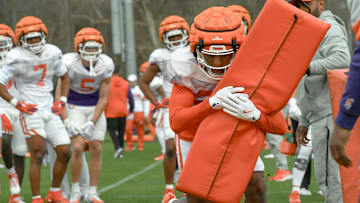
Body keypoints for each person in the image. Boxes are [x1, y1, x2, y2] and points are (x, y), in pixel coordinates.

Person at [165, 6, 287, 203]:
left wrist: (255, 115)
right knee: (200, 199)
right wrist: (211, 103)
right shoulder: (184, 65)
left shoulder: (252, 66)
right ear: (194, 48)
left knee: (257, 188)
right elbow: (177, 123)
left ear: (240, 49)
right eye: (209, 55)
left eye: (225, 55)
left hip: (234, 133)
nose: (217, 62)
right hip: (194, 137)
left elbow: (281, 126)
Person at [0, 16, 72, 203]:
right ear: (21, 39)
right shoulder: (15, 56)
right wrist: (17, 102)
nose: (34, 42)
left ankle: (54, 191)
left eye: (36, 37)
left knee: (65, 150)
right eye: (29, 38)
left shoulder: (53, 52)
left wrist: (62, 100)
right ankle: (35, 197)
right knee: (37, 153)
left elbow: (65, 76)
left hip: (48, 107)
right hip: (29, 109)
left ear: (44, 35)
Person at [288, 0, 351, 202]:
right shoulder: (310, 30)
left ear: (320, 3)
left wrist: (306, 67)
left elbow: (343, 58)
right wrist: (305, 120)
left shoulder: (327, 26)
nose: (299, 8)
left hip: (330, 116)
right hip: (321, 115)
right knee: (331, 182)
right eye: (295, 4)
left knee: (333, 183)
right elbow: (309, 82)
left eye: (304, 3)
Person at [59, 27, 114, 203]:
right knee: (77, 147)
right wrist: (66, 119)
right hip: (73, 105)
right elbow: (59, 95)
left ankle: (92, 192)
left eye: (94, 47)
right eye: (87, 47)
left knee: (97, 148)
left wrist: (92, 121)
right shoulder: (68, 62)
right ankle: (76, 191)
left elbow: (104, 98)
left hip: (94, 107)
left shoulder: (106, 64)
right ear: (79, 47)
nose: (91, 52)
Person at [139, 15, 190, 200]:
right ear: (164, 38)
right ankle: (169, 188)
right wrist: (156, 101)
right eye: (172, 37)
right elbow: (143, 82)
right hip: (171, 107)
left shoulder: (194, 50)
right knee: (170, 148)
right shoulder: (159, 56)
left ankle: (189, 185)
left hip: (193, 105)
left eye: (178, 36)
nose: (176, 40)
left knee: (191, 149)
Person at [0, 23, 27, 203]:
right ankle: (11, 173)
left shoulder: (23, 57)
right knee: (4, 141)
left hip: (20, 106)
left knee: (20, 151)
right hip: (1, 106)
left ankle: (15, 196)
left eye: (4, 43)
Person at [104, 66, 134, 158]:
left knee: (112, 131)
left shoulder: (107, 83)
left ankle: (117, 148)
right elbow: (131, 98)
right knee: (121, 131)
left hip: (110, 111)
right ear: (119, 72)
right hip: (122, 110)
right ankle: (120, 149)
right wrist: (131, 109)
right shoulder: (125, 83)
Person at [139, 61, 166, 160]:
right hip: (160, 107)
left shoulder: (155, 81)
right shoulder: (155, 79)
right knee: (157, 126)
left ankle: (165, 152)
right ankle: (165, 151)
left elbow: (163, 94)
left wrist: (161, 104)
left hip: (164, 107)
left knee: (161, 129)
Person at [125, 74, 146, 151]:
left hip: (139, 111)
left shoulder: (140, 90)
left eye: (132, 81)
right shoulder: (126, 89)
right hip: (130, 112)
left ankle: (140, 145)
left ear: (135, 81)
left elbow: (145, 101)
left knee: (140, 129)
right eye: (129, 81)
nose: (130, 83)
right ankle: (130, 145)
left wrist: (146, 113)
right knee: (128, 129)